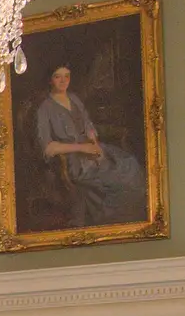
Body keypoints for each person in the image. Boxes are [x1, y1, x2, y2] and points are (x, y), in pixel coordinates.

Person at [34, 63, 146, 227]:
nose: (63, 80)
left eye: (67, 76)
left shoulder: (74, 99)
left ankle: (138, 213)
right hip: (73, 161)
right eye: (58, 76)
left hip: (92, 150)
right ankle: (117, 223)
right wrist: (81, 148)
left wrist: (93, 143)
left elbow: (88, 125)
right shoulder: (44, 109)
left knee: (130, 164)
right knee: (118, 185)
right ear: (50, 80)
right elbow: (48, 148)